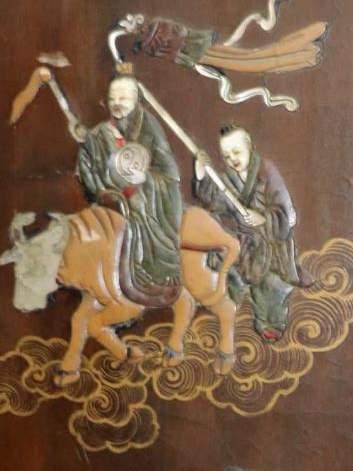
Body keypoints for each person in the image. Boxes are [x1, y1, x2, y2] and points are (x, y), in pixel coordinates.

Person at [77, 65, 182, 304]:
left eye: (123, 98)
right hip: (112, 200)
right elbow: (88, 172)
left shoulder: (149, 127)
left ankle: (150, 275)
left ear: (136, 99)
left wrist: (145, 180)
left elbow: (169, 174)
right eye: (112, 98)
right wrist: (103, 188)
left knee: (139, 207)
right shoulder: (100, 134)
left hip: (148, 200)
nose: (117, 103)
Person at [192, 126, 309, 339]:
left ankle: (270, 322)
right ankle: (229, 301)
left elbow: (284, 210)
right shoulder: (227, 180)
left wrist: (263, 218)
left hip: (272, 241)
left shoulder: (267, 172)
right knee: (219, 257)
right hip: (245, 241)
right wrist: (201, 174)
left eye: (237, 152)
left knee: (270, 286)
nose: (232, 159)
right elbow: (215, 203)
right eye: (227, 156)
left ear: (250, 147)